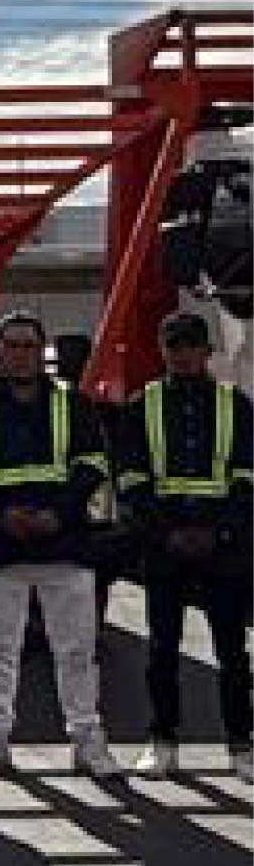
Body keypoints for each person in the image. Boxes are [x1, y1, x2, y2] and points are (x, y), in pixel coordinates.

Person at [0, 311, 120, 783]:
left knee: (77, 651)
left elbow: (92, 465)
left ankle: (89, 744)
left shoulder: (73, 404)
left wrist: (56, 515)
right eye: (11, 345)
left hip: (66, 544)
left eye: (27, 346)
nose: (19, 355)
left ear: (42, 353)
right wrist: (3, 515)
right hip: (1, 546)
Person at [117, 309, 253, 777]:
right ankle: (162, 741)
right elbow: (131, 479)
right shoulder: (141, 406)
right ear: (163, 351)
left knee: (232, 651)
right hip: (165, 544)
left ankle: (241, 744)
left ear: (208, 352)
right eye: (173, 346)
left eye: (191, 345)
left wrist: (219, 532)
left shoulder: (236, 405)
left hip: (224, 544)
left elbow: (247, 476)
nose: (182, 354)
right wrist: (167, 533)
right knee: (162, 649)